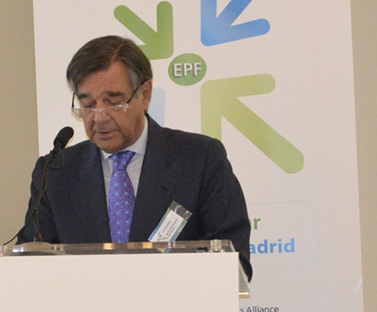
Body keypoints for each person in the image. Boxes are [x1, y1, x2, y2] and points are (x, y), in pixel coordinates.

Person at [19, 35, 252, 279]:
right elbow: (31, 269)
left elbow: (234, 262)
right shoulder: (55, 173)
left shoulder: (200, 160)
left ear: (145, 94)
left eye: (113, 102)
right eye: (88, 105)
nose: (99, 117)